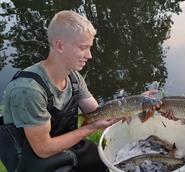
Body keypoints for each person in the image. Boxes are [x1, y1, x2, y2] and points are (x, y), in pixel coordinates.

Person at [0, 10, 158, 172]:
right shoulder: (28, 90)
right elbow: (43, 149)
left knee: (104, 164)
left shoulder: (73, 77)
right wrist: (90, 128)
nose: (89, 55)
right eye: (83, 48)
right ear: (59, 45)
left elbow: (98, 113)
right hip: (33, 160)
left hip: (68, 144)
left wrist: (136, 102)